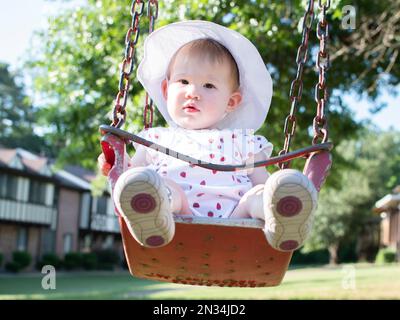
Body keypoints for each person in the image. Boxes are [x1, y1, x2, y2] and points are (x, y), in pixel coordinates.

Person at [98, 20, 317, 252]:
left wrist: (276, 192)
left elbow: (262, 180)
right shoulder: (156, 140)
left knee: (260, 195)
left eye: (209, 86)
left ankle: (281, 219)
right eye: (183, 82)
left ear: (231, 102)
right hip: (178, 219)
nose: (193, 93)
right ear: (166, 90)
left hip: (237, 219)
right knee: (159, 187)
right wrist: (115, 165)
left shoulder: (242, 143)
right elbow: (132, 175)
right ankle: (151, 217)